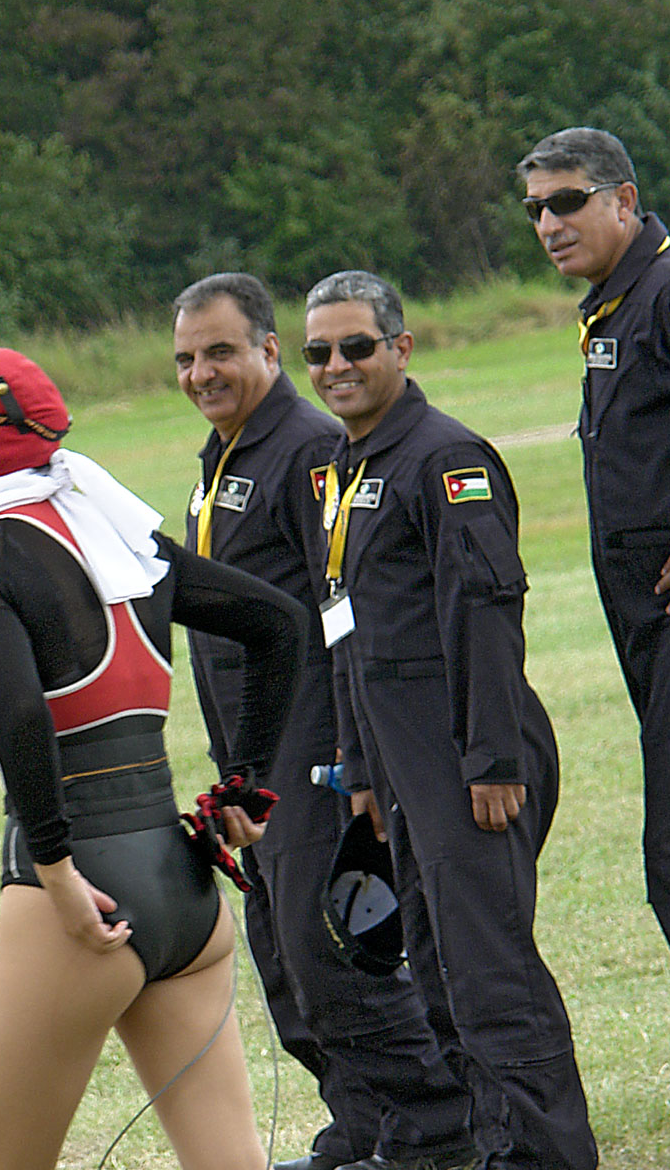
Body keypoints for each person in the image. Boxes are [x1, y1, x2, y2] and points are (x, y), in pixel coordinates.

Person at [0, 343, 309, 1170]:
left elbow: (22, 710)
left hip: (84, 900)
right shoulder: (122, 538)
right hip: (185, 888)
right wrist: (246, 786)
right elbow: (279, 625)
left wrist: (54, 868)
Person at [172, 272, 478, 1170]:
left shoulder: (305, 451)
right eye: (187, 358)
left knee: (329, 945)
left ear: (270, 350)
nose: (202, 373)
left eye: (221, 351)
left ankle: (432, 1129)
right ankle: (364, 1124)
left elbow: (346, 610)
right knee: (281, 947)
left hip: (313, 746)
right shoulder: (221, 457)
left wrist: (354, 757)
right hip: (254, 754)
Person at [302, 270, 598, 1170]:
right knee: (435, 975)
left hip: (467, 747)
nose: (337, 366)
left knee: (491, 976)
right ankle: (492, 1145)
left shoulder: (442, 458)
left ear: (402, 347)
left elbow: (484, 613)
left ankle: (549, 1157)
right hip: (401, 760)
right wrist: (360, 770)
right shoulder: (348, 465)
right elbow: (349, 631)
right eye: (319, 352)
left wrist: (492, 759)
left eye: (357, 345)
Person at [516, 125, 670, 1166]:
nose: (549, 223)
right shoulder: (615, 306)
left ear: (623, 199)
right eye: (537, 209)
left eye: (568, 201)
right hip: (655, 630)